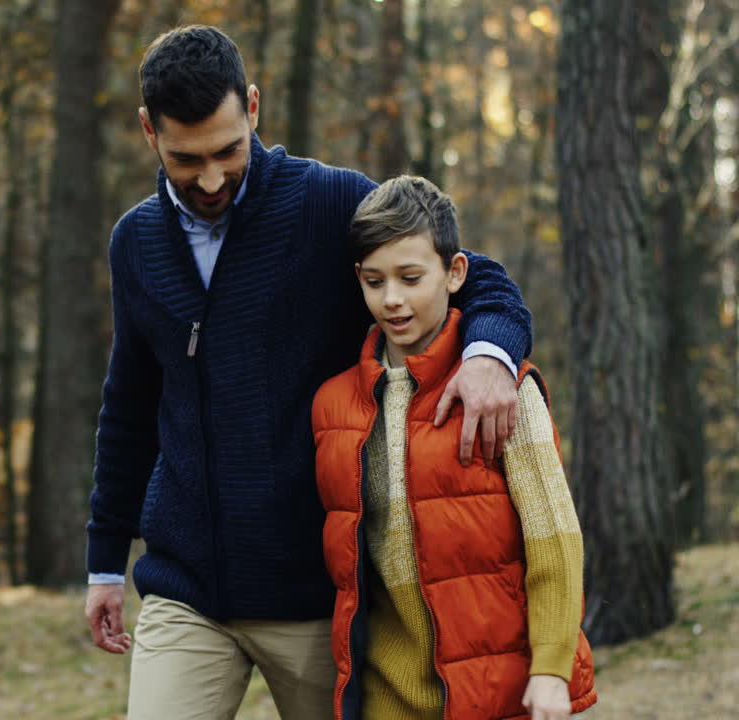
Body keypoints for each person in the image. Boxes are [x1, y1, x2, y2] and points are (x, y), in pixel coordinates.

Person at [84, 25, 534, 719]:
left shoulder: (328, 203)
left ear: (254, 108)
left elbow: (474, 278)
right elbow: (129, 405)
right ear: (149, 130)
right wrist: (106, 563)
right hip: (186, 591)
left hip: (318, 598)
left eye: (228, 151)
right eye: (186, 158)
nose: (210, 179)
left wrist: (488, 357)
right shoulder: (135, 244)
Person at [311, 175, 596, 720]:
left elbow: (554, 536)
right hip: (386, 698)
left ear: (454, 272)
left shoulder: (502, 390)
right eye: (374, 282)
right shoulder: (332, 406)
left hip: (498, 689)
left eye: (411, 278)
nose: (392, 299)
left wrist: (551, 667)